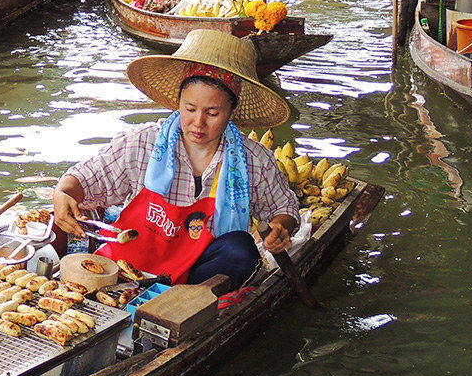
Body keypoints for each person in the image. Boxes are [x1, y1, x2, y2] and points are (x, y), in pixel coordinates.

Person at [52, 30, 298, 286]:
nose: (198, 123)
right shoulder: (143, 142)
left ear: (232, 111)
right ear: (178, 102)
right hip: (131, 266)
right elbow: (85, 179)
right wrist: (64, 193)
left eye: (212, 113)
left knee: (240, 250)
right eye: (189, 109)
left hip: (196, 277)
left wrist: (281, 227)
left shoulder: (252, 160)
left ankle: (188, 306)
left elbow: (284, 208)